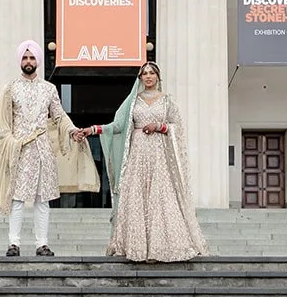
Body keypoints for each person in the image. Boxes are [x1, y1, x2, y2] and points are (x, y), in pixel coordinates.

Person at [0, 39, 98, 257]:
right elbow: (1, 121)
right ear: (20, 61)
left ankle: (42, 244)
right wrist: (11, 141)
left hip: (43, 152)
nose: (28, 61)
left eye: (32, 57)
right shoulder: (11, 88)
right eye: (25, 57)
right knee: (17, 199)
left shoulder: (49, 89)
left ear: (38, 61)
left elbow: (59, 116)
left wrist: (72, 131)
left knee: (43, 200)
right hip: (19, 151)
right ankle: (13, 243)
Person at [82, 60, 208, 262]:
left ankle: (160, 248)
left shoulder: (167, 101)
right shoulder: (132, 101)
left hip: (160, 158)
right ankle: (137, 248)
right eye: (145, 73)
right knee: (137, 198)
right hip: (137, 157)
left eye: (152, 73)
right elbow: (118, 126)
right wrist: (93, 129)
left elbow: (177, 127)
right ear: (140, 78)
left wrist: (159, 126)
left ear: (158, 77)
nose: (148, 76)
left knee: (160, 198)